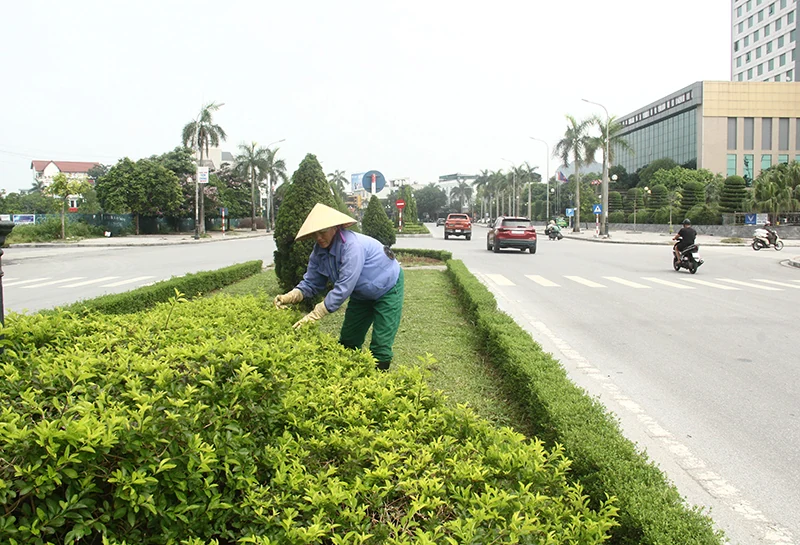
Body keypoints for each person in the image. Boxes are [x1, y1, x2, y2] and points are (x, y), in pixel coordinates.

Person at [273, 203, 404, 371]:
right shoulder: (319, 252)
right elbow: (311, 282)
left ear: (335, 228)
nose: (319, 237)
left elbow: (343, 287)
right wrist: (290, 296)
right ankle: (349, 377)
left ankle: (380, 380)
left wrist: (315, 314)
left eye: (323, 232)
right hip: (361, 293)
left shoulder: (351, 246)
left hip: (388, 287)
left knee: (381, 343)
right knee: (349, 338)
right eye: (315, 233)